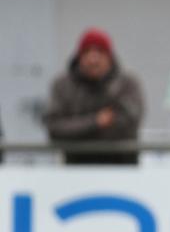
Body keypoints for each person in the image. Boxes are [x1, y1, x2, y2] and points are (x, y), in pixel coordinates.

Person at [43, 28, 144, 164]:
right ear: (79, 56)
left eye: (100, 52)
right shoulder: (63, 86)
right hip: (76, 171)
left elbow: (128, 125)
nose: (93, 59)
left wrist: (77, 129)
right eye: (87, 52)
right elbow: (55, 129)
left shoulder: (127, 84)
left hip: (122, 169)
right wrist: (95, 122)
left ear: (110, 56)